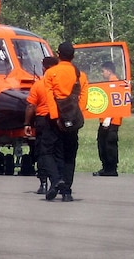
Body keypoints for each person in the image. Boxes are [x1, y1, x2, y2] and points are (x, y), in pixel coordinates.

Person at [44, 42, 89, 202]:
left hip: (56, 120)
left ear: (58, 54)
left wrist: (56, 118)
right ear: (73, 56)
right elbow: (83, 98)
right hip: (73, 119)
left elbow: (50, 97)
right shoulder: (80, 75)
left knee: (56, 153)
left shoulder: (50, 73)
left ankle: (58, 180)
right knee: (70, 155)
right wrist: (77, 116)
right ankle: (67, 192)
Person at [24, 56, 60, 195]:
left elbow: (31, 106)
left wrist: (27, 123)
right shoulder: (59, 84)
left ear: (44, 68)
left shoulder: (39, 85)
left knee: (43, 151)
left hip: (42, 121)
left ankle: (43, 182)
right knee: (57, 151)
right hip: (58, 120)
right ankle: (57, 180)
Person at [93, 61, 121, 177]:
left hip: (111, 120)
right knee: (102, 143)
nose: (102, 73)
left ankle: (111, 168)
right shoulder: (109, 83)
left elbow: (113, 103)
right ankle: (106, 167)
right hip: (106, 119)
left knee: (109, 144)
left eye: (103, 71)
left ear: (109, 71)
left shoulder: (114, 83)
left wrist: (108, 118)